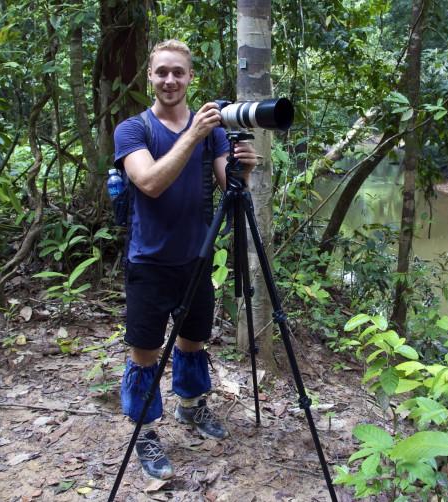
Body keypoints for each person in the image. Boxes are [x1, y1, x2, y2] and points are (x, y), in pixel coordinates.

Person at [113, 39, 258, 479]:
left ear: (190, 77)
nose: (170, 80)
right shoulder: (133, 130)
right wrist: (192, 134)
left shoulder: (212, 132)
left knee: (193, 341)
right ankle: (145, 434)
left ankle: (191, 406)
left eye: (179, 72)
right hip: (149, 261)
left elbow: (227, 186)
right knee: (145, 353)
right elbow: (150, 183)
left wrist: (243, 170)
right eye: (162, 73)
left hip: (197, 258)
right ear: (151, 78)